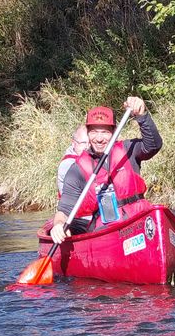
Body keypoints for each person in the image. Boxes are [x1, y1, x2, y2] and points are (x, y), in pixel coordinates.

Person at [49, 96, 160, 244]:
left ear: (114, 132)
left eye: (105, 132)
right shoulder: (77, 170)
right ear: (88, 134)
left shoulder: (128, 150)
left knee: (173, 215)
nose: (99, 138)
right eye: (94, 132)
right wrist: (58, 225)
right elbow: (64, 211)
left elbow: (153, 145)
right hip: (108, 232)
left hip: (138, 220)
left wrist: (142, 115)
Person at [57, 124, 89, 194]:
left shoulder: (86, 158)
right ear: (73, 143)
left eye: (90, 143)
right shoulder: (68, 164)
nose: (87, 147)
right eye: (83, 143)